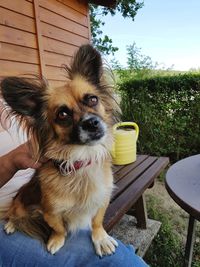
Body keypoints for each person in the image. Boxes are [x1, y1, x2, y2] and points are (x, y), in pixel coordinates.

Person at [0, 99, 149, 267]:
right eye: (63, 114)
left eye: (92, 100)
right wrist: (11, 161)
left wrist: (97, 227)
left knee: (124, 259)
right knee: (119, 262)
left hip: (52, 182)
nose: (87, 116)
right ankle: (19, 220)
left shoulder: (7, 104)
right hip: (15, 208)